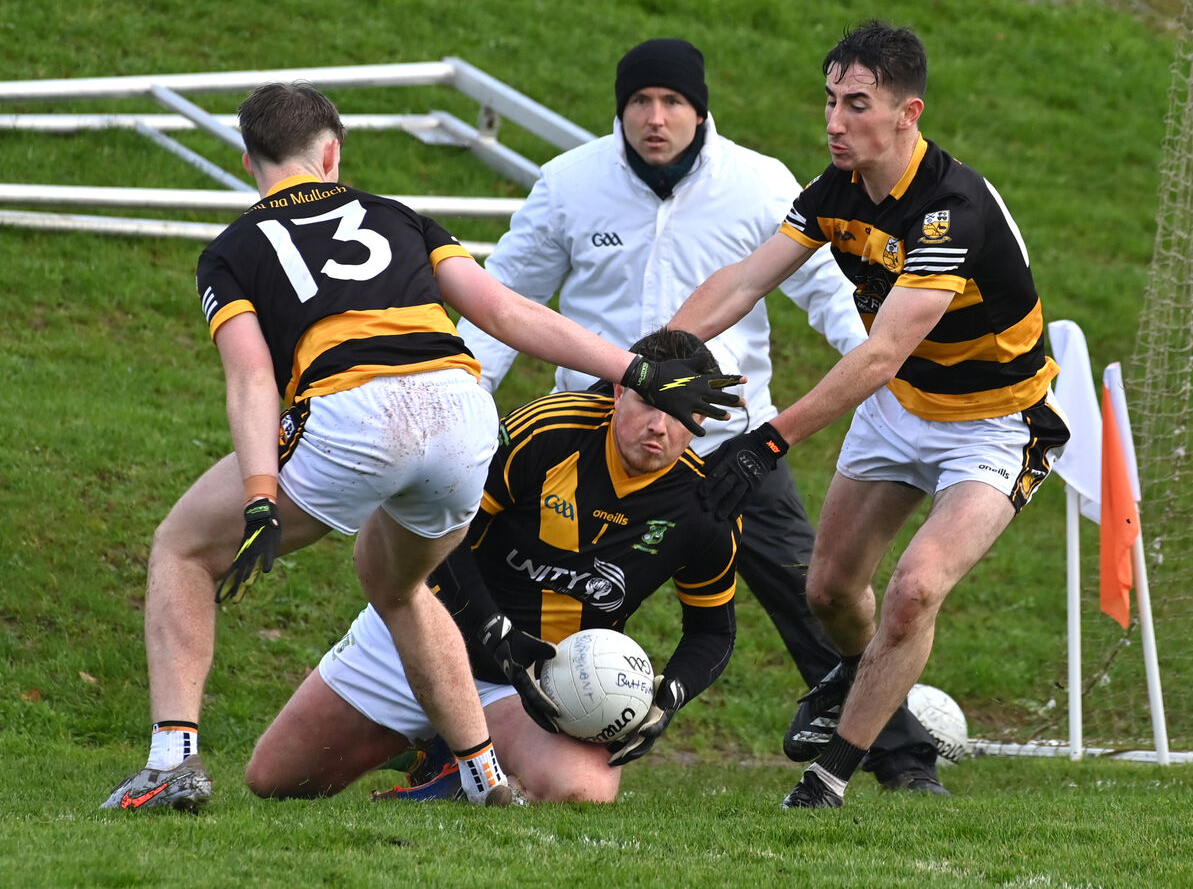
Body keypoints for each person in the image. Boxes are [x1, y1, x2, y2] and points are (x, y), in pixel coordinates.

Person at [100, 83, 742, 812]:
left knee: (182, 547)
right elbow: (504, 310)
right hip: (461, 409)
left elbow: (251, 377)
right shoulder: (399, 216)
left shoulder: (232, 250)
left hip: (355, 412)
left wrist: (258, 494)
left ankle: (170, 760)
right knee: (400, 581)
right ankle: (479, 773)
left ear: (249, 160)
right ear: (333, 152)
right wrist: (634, 368)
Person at [455, 37, 944, 792]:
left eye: (673, 102)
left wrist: (879, 365)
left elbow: (827, 289)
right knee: (501, 586)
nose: (655, 118)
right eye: (639, 103)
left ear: (700, 108)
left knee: (817, 595)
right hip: (593, 438)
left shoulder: (759, 183)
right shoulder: (567, 185)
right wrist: (458, 403)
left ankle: (902, 758)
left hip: (734, 444)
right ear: (619, 111)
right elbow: (503, 301)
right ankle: (448, 730)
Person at [670, 20, 1070, 809]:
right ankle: (866, 691)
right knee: (828, 592)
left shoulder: (951, 211)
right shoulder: (835, 191)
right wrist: (655, 353)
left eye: (857, 104)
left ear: (907, 114)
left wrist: (770, 436)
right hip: (902, 408)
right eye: (829, 100)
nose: (834, 121)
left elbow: (880, 352)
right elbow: (746, 281)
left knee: (915, 588)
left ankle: (833, 773)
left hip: (998, 423)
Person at [242, 328, 740, 803]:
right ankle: (430, 746)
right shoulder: (548, 431)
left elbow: (712, 631)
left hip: (527, 686)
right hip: (423, 632)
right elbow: (436, 534)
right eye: (650, 403)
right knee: (277, 779)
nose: (659, 427)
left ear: (702, 421)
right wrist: (491, 629)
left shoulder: (705, 507)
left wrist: (672, 694)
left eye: (680, 414)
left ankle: (451, 766)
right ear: (618, 391)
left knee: (583, 790)